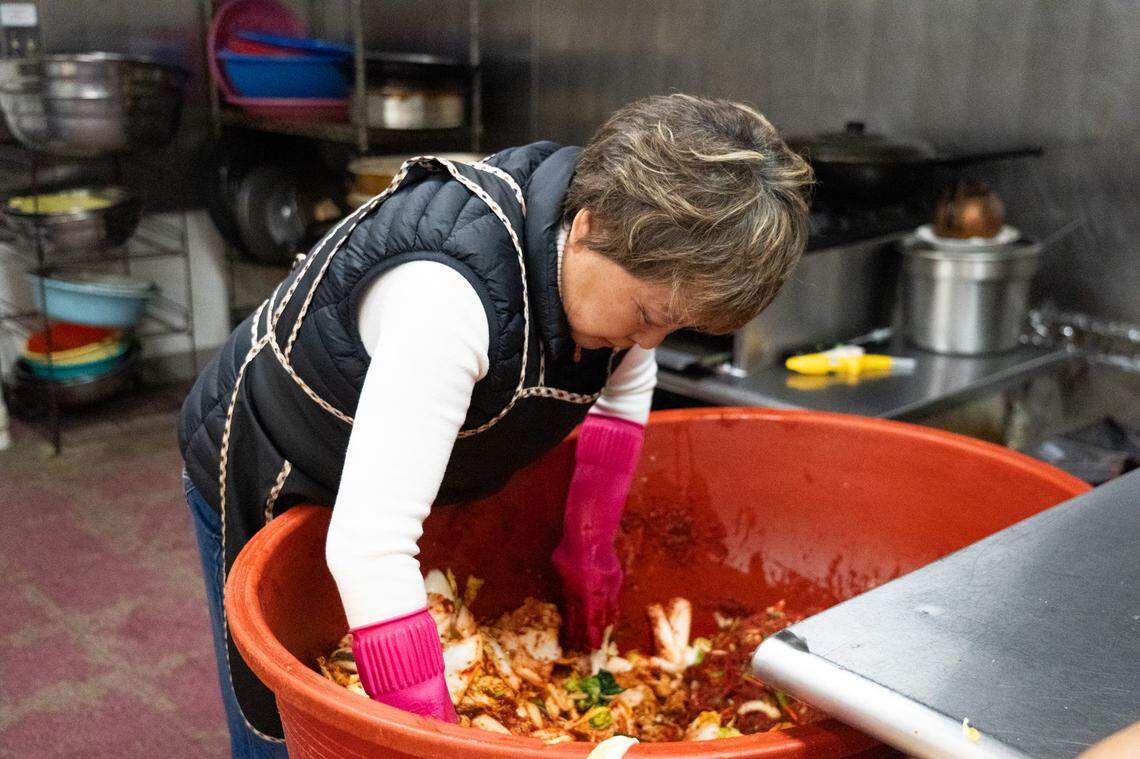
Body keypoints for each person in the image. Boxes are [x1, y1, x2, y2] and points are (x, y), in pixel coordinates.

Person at [179, 93, 812, 757]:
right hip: (268, 453)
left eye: (674, 326)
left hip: (385, 472)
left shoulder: (618, 257)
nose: (650, 337)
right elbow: (368, 544)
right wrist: (429, 731)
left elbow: (627, 387)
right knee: (279, 719)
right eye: (651, 313)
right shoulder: (448, 303)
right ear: (591, 224)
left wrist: (588, 545)